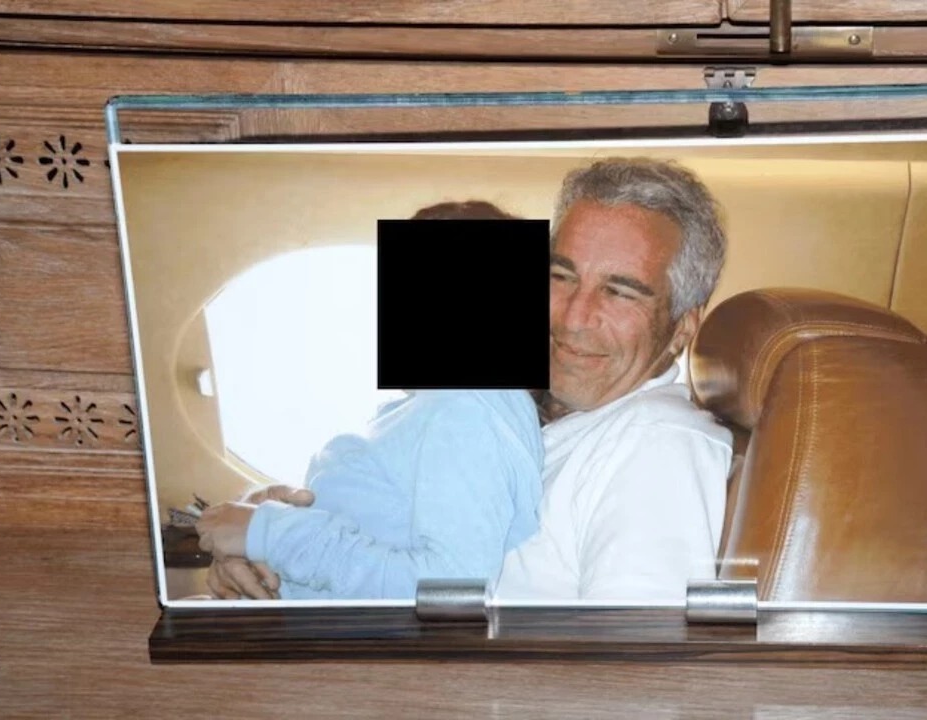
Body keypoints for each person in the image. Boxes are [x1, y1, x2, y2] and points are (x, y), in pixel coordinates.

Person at [195, 201, 544, 600]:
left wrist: (270, 533)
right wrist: (262, 520)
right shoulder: (445, 409)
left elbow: (455, 584)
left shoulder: (466, 409)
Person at [492, 157, 733, 603]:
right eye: (561, 276)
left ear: (682, 327)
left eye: (619, 292)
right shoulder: (559, 425)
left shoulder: (656, 444)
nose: (573, 318)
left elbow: (633, 646)